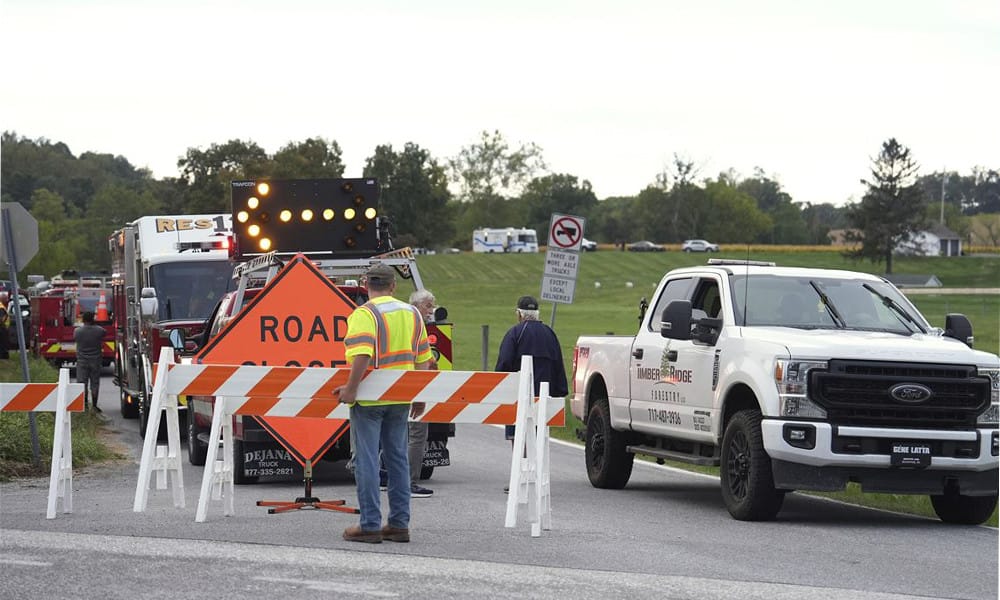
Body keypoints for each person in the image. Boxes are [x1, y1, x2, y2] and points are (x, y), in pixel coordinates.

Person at [334, 263, 434, 544]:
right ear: (393, 286)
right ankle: (399, 524)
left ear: (367, 285)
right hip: (401, 398)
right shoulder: (413, 313)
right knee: (398, 460)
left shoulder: (365, 314)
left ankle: (369, 525)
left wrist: (351, 389)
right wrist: (419, 394)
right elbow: (424, 360)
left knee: (366, 460)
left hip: (369, 400)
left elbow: (363, 354)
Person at [495, 295, 568, 456]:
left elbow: (505, 362)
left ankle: (521, 467)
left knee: (518, 436)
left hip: (518, 396)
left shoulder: (515, 333)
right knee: (538, 434)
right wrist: (559, 391)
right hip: (543, 396)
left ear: (519, 314)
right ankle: (535, 468)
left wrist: (498, 388)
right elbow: (558, 365)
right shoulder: (550, 334)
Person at [407, 289, 438, 499]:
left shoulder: (402, 321)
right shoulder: (416, 326)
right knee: (417, 435)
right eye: (428, 305)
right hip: (412, 386)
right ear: (417, 305)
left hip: (395, 386)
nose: (432, 310)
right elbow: (424, 360)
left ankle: (391, 477)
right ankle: (408, 481)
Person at [74, 311, 106, 411]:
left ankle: (85, 405)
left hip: (82, 361)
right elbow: (104, 333)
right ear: (93, 318)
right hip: (95, 360)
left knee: (82, 383)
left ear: (83, 319)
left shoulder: (77, 331)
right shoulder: (99, 330)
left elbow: (75, 339)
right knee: (94, 383)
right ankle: (95, 405)